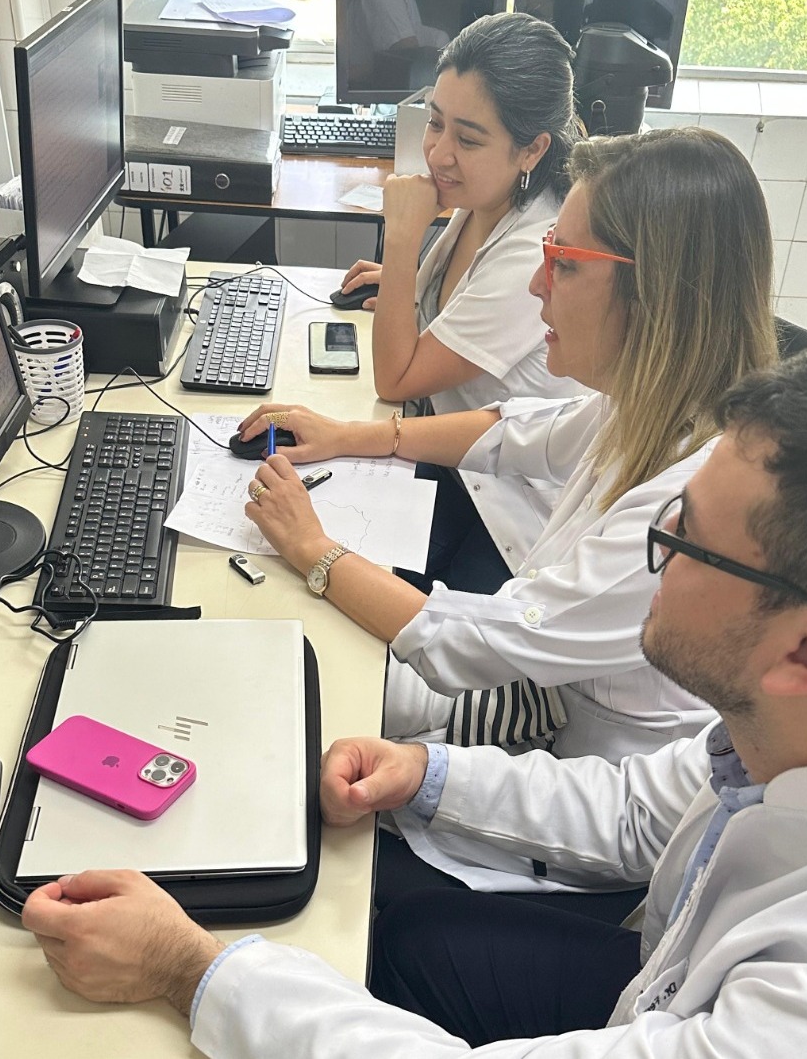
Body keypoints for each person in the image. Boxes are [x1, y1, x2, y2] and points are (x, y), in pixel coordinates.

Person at [22, 344, 807, 1056]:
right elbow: (644, 807)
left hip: (692, 1005)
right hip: (667, 979)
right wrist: (427, 774)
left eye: (687, 536)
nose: (657, 541)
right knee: (403, 932)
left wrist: (189, 969)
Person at [237, 128, 775, 890]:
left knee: (324, 837)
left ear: (656, 292)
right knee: (298, 688)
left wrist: (313, 550)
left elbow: (482, 641)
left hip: (583, 796)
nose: (537, 285)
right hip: (538, 702)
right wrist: (352, 435)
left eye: (566, 263)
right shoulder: (655, 407)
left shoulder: (688, 508)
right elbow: (516, 431)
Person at [337, 12, 586, 594]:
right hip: (456, 459)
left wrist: (400, 243)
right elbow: (448, 313)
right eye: (435, 123)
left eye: (468, 139)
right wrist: (405, 286)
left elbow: (395, 380)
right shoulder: (489, 199)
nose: (438, 155)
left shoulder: (534, 245)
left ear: (532, 149)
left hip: (504, 506)